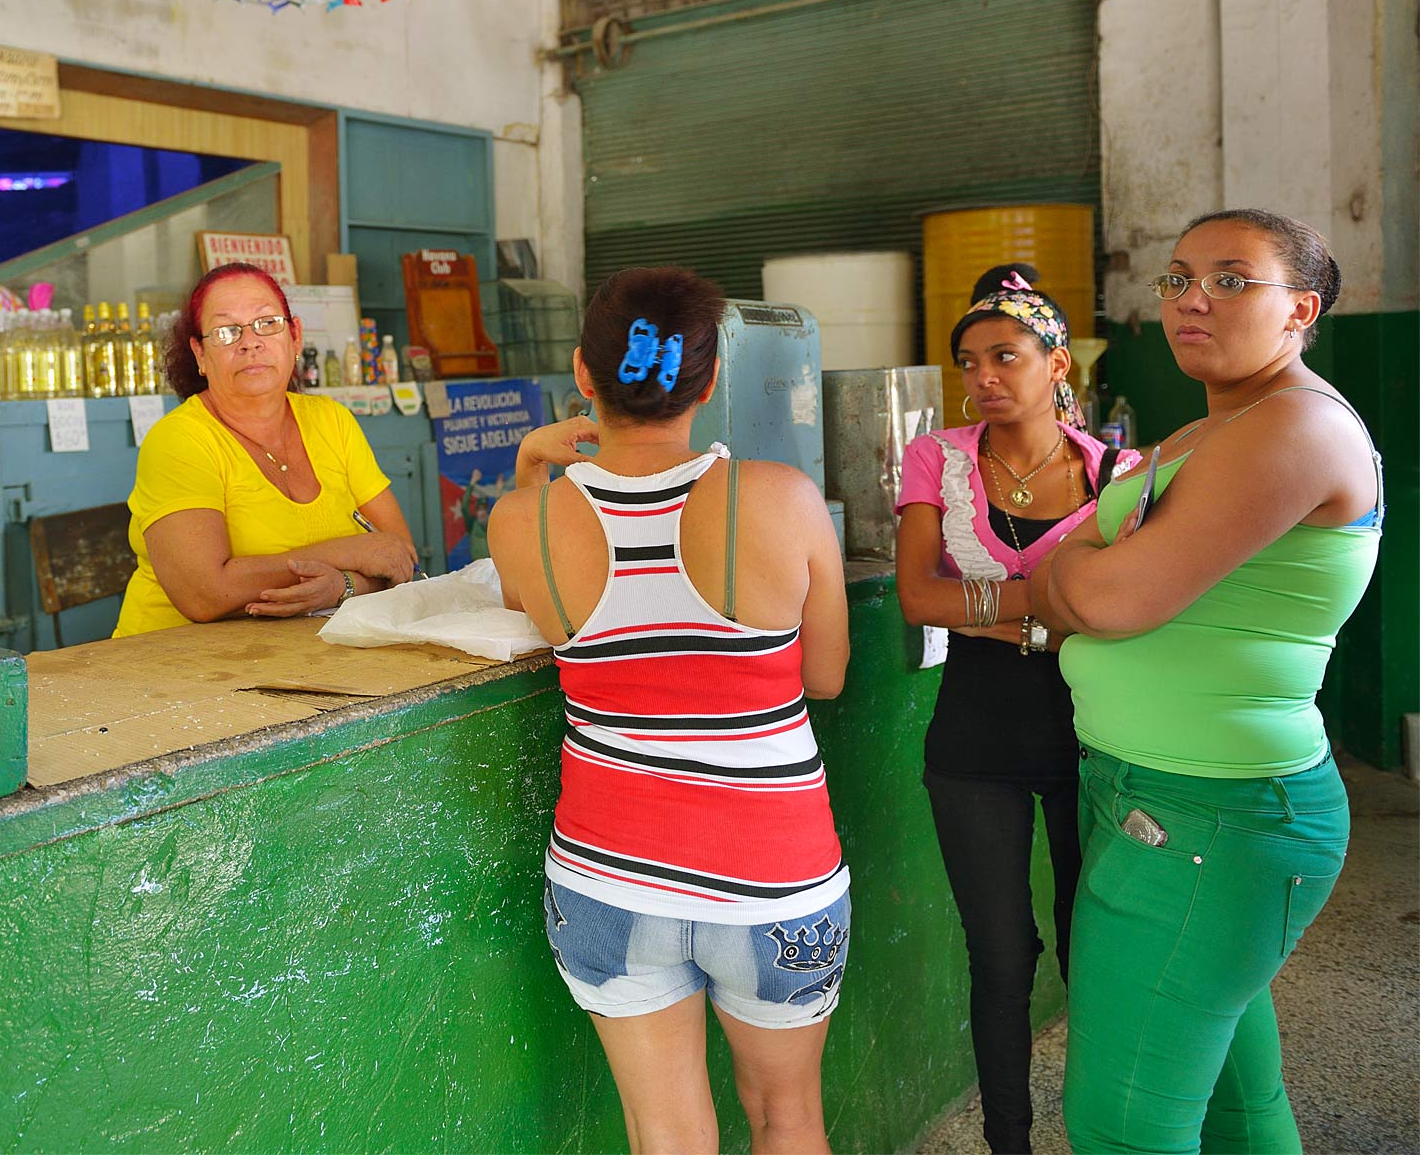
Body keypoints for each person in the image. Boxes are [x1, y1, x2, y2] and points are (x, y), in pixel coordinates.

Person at [1029, 209, 1382, 1153]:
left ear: (1301, 308)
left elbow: (1104, 595)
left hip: (1211, 812)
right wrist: (1077, 577)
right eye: (1180, 279)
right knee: (1233, 1104)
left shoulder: (1296, 429)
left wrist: (1069, 578)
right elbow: (1080, 579)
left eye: (1231, 280)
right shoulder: (1209, 430)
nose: (1193, 299)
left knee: (1122, 1124)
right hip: (1155, 793)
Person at [488, 267, 851, 1155]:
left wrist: (535, 461)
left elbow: (523, 608)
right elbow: (828, 677)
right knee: (787, 1119)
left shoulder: (521, 521)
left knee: (666, 1136)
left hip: (608, 878)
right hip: (773, 876)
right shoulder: (782, 502)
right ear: (711, 379)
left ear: (583, 375)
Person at [893, 265, 1139, 1154]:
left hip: (1098, 738)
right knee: (1002, 958)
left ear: (1057, 362)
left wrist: (999, 608)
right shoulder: (940, 458)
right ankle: (1009, 1143)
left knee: (1096, 957)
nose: (983, 377)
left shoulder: (1123, 474)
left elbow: (1133, 608)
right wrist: (1051, 614)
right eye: (969, 362)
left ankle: (1101, 1131)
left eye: (1005, 355)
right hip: (973, 743)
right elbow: (919, 598)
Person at [112, 262, 417, 637]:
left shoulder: (332, 420)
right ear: (200, 355)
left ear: (295, 337)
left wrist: (343, 585)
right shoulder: (179, 440)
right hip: (173, 667)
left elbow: (399, 555)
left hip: (305, 659)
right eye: (226, 332)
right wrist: (347, 553)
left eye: (267, 323)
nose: (250, 342)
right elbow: (204, 595)